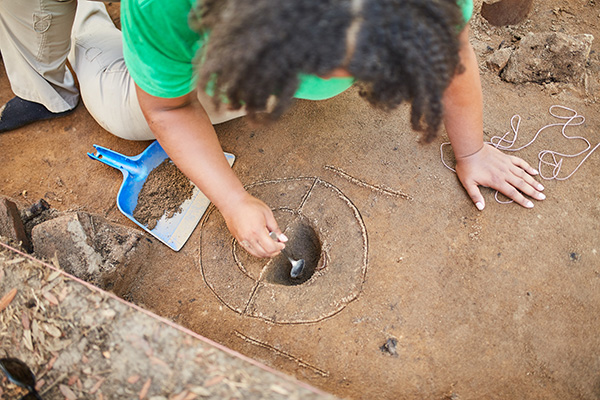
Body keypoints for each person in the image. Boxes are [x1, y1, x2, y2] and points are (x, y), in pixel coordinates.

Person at [0, 0, 545, 259]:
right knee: (122, 108)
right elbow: (167, 109)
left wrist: (471, 150)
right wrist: (231, 200)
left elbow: (448, 52)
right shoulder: (167, 8)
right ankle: (78, 23)